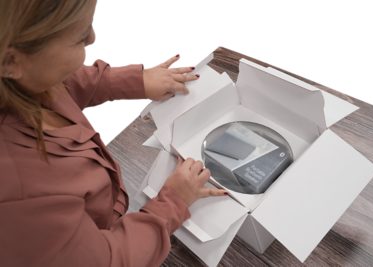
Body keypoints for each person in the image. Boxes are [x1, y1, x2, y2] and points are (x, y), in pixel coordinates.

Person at [0, 0, 226, 266]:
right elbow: (109, 261)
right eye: (79, 37)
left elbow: (63, 82)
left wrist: (133, 81)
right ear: (10, 60)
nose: (92, 38)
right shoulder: (22, 190)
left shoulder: (24, 78)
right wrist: (172, 203)